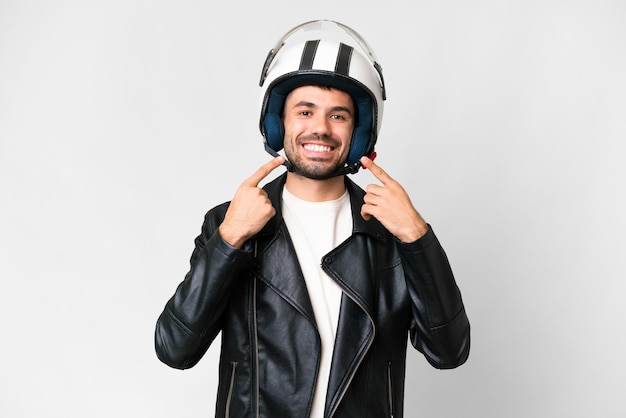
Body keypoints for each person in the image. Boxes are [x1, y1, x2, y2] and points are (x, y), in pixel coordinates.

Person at [155, 20, 470, 418]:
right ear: (279, 122)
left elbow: (449, 352)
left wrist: (417, 237)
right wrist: (230, 238)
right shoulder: (227, 222)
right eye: (305, 111)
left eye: (338, 116)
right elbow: (174, 349)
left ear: (358, 132)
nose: (320, 128)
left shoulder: (392, 232)